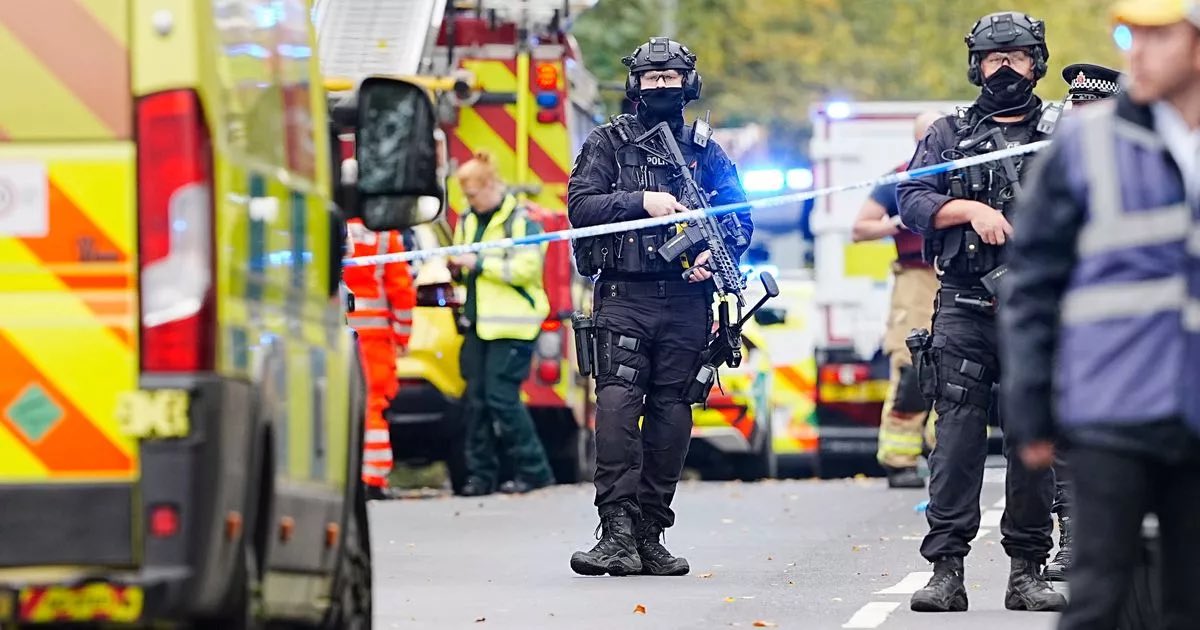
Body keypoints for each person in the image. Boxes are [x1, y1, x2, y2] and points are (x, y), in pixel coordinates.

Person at [1000, 1, 1200, 627]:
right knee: (1101, 596)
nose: (1135, 51)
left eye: (1157, 36)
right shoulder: (1087, 145)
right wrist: (1031, 408)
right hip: (1113, 406)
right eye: (1127, 34)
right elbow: (1033, 284)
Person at [897, 11, 1067, 613]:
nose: (1004, 69)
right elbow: (912, 199)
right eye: (994, 58)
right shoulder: (947, 135)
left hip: (1040, 310)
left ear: (1036, 61)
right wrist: (967, 210)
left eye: (1016, 57)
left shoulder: (1065, 131)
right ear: (977, 64)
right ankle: (946, 571)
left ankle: (1027, 573)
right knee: (958, 441)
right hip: (966, 307)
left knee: (1032, 443)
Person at [566, 37, 752, 577]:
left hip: (688, 301)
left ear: (688, 85)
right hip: (625, 296)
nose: (663, 87)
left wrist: (712, 260)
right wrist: (641, 202)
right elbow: (581, 207)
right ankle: (616, 531)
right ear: (635, 86)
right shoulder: (608, 143)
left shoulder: (706, 151)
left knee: (673, 412)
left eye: (672, 79)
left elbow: (740, 217)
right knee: (619, 407)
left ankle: (650, 533)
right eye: (652, 79)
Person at [1037, 60, 1123, 584]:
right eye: (1077, 107)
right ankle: (1072, 541)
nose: (1081, 114)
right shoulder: (1052, 164)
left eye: (1093, 107)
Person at [448, 150, 556, 498]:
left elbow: (525, 269)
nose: (469, 200)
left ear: (491, 185)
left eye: (473, 194)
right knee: (476, 401)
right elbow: (465, 263)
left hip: (514, 326)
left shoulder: (521, 221)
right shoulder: (467, 220)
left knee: (502, 399)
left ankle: (534, 470)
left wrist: (477, 263)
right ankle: (480, 477)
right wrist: (455, 269)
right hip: (478, 324)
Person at [852, 111, 943, 490]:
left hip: (956, 277)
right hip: (916, 281)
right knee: (910, 369)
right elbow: (860, 228)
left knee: (960, 368)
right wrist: (896, 223)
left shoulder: (963, 170)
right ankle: (900, 459)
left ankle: (946, 453)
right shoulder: (900, 178)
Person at [344, 216, 416, 501]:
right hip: (374, 337)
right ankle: (371, 478)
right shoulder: (386, 235)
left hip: (334, 331)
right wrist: (402, 334)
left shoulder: (327, 222)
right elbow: (401, 290)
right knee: (373, 405)